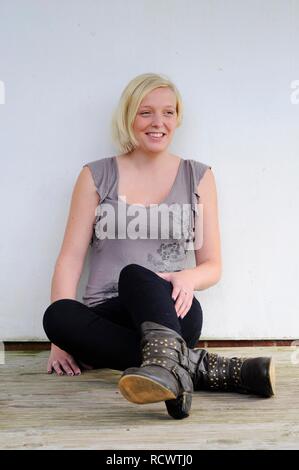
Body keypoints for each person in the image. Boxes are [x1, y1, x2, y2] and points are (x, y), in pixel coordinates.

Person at [43, 72, 275, 420]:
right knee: (58, 316)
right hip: (107, 317)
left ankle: (167, 363)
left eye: (168, 112)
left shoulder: (197, 176)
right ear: (129, 118)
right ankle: (184, 366)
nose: (158, 122)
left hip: (171, 310)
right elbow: (70, 259)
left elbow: (212, 265)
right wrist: (61, 342)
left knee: (143, 279)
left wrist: (188, 278)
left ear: (178, 118)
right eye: (146, 112)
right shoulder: (96, 175)